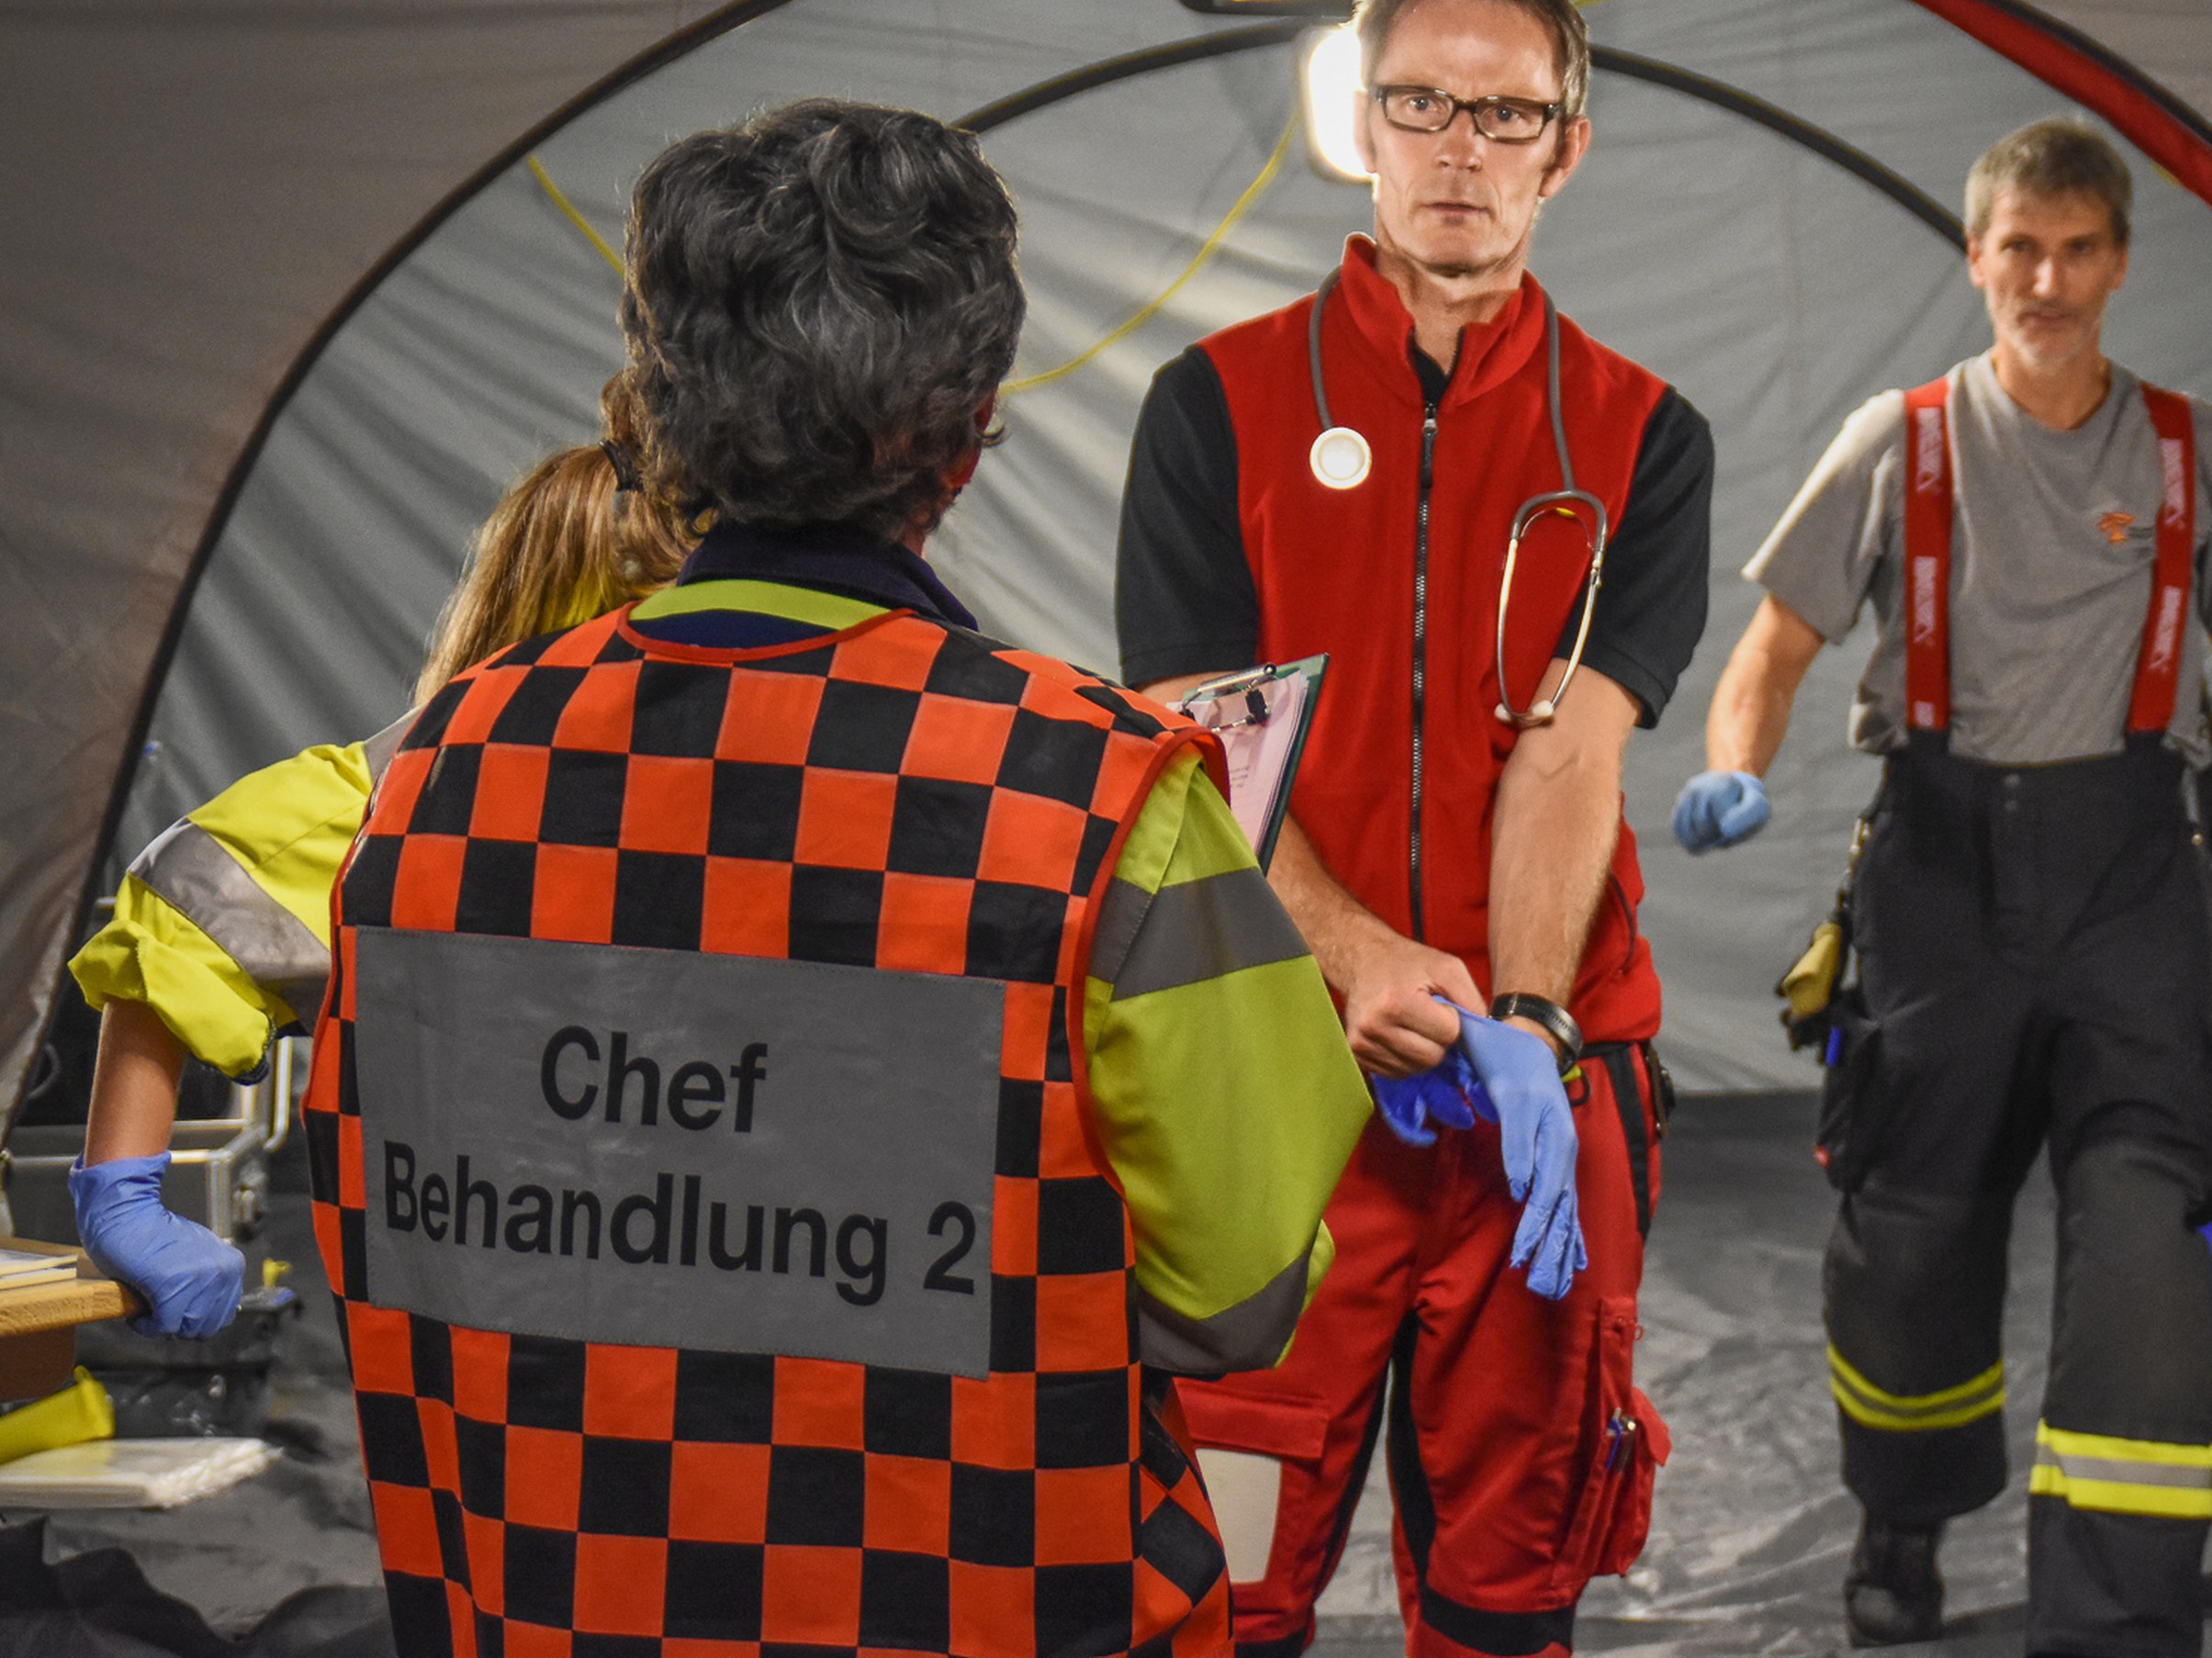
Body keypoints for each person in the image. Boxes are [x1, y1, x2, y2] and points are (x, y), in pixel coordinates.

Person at [304, 100, 1368, 1658]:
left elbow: (393, 1224)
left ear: (652, 409)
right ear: (971, 432)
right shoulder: (1100, 795)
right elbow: (1237, 1288)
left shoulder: (436, 773)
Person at [1671, 114, 2212, 1652]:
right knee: (1912, 1236)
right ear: (1976, 258)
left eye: (2076, 249)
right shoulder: (1899, 441)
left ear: (2117, 262)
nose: (2046, 280)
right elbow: (1775, 643)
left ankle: (2116, 1616)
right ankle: (1901, 1525)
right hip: (1938, 887)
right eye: (2020, 249)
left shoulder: (2190, 451)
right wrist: (1737, 762)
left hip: (2132, 888)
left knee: (2143, 1249)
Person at [1115, 0, 1712, 1657]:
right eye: (1421, 103)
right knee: (1223, 1588)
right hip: (1273, 1086)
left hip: (1533, 1100)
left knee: (1506, 1593)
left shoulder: (1642, 435)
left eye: (1505, 114)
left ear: (1566, 147)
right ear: (1358, 128)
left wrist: (1522, 1019)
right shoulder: (1214, 406)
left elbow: (1574, 749)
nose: (1460, 147)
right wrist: (1360, 960)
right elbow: (1201, 740)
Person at [68, 389, 689, 1339]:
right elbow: (185, 909)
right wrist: (122, 1201)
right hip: (505, 1294)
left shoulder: (728, 777)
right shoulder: (407, 790)